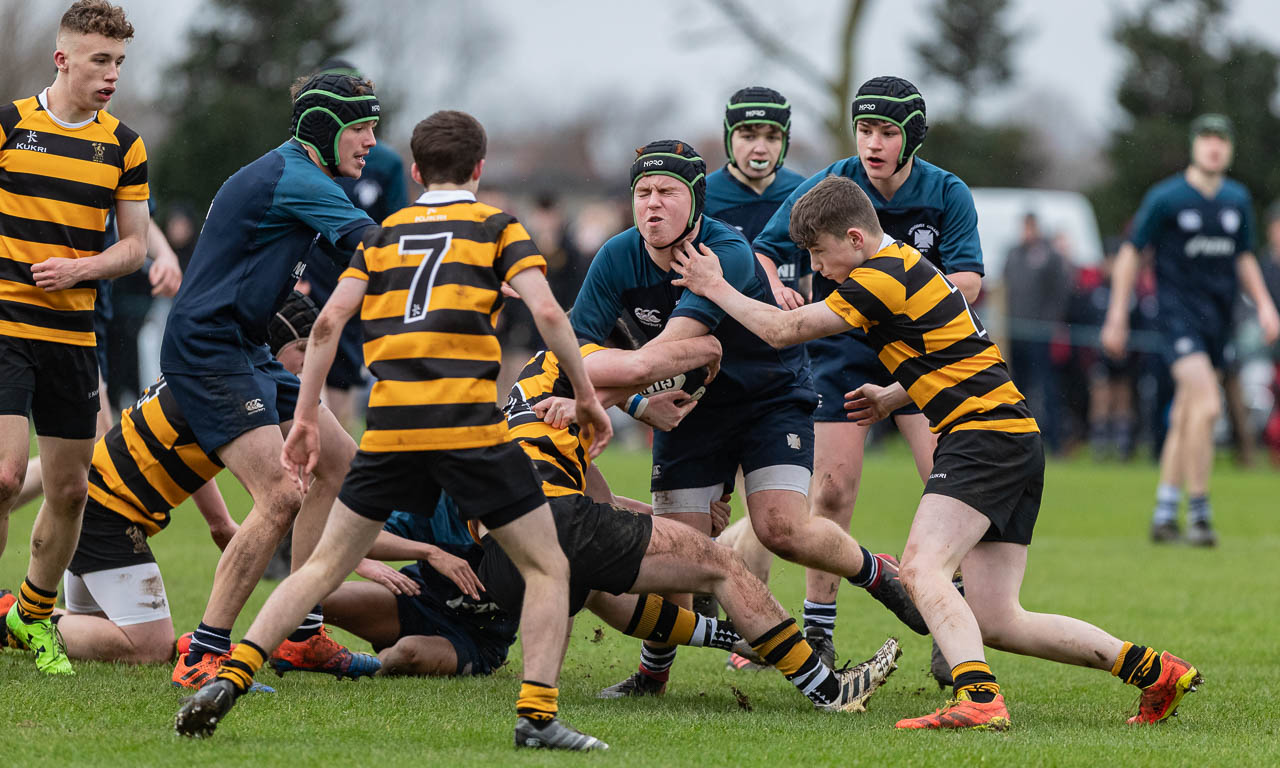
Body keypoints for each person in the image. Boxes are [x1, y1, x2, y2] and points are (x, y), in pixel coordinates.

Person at [673, 174, 1205, 730]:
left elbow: (783, 330)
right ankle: (1153, 671)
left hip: (982, 436)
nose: (815, 268)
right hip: (1013, 435)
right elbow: (962, 349)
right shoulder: (908, 266)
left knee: (923, 568)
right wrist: (892, 394)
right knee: (998, 617)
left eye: (817, 253)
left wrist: (715, 285)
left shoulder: (876, 277)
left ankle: (978, 700)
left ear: (855, 239)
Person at [174, 110, 616, 751]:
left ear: (413, 172)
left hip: (392, 429)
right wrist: (584, 396)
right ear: (480, 170)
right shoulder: (498, 227)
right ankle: (538, 719)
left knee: (321, 565)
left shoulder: (383, 236)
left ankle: (231, 679)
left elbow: (323, 327)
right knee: (547, 566)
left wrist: (303, 420)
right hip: (467, 427)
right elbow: (547, 311)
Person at [571, 139, 922, 699]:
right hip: (688, 413)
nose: (652, 205)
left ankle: (879, 574)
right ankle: (652, 676)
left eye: (667, 192)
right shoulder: (617, 256)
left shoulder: (725, 253)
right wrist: (637, 404)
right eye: (642, 193)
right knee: (675, 553)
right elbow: (576, 348)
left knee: (781, 528)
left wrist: (609, 391)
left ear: (697, 199)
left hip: (769, 398)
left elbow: (667, 353)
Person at [472, 335, 902, 716]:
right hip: (560, 522)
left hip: (503, 562)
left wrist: (672, 529)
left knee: (596, 578)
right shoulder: (569, 353)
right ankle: (831, 690)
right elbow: (638, 368)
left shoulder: (524, 403)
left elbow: (602, 506)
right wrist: (707, 349)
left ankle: (729, 637)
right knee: (721, 566)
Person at [1, 294, 380, 672]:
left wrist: (220, 522)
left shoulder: (216, 378)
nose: (308, 365)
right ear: (280, 345)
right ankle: (12, 619)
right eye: (304, 349)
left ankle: (32, 616)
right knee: (148, 648)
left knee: (114, 635)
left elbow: (199, 449)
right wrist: (356, 556)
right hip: (106, 516)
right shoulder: (231, 388)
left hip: (102, 512)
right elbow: (281, 493)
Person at [752, 76, 981, 670]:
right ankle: (819, 629)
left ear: (912, 139)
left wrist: (903, 296)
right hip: (843, 354)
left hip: (921, 355)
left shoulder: (947, 192)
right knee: (830, 490)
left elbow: (971, 279)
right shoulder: (833, 184)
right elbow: (767, 247)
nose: (873, 143)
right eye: (864, 129)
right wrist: (777, 283)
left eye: (886, 131)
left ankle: (946, 618)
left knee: (949, 484)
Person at [162, 71, 380, 689]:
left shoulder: (301, 175)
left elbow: (355, 260)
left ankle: (301, 635)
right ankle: (201, 652)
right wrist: (465, 256)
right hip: (207, 349)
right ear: (325, 127)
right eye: (360, 128)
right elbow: (374, 244)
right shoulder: (297, 177)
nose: (369, 141)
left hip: (247, 347)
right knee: (282, 495)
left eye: (373, 127)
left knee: (340, 460)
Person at [0, 0, 149, 676]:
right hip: (6, 325)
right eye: (100, 60)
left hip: (72, 336)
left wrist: (83, 268)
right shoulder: (9, 125)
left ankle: (28, 620)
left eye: (118, 61)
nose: (111, 73)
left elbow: (136, 247)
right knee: (3, 475)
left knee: (69, 493)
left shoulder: (124, 145)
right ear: (63, 59)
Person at [1101, 113, 1280, 546]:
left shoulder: (1237, 199)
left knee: (1187, 415)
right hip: (1176, 319)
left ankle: (1164, 513)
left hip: (1217, 322)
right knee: (1207, 405)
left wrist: (1266, 305)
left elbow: (1242, 257)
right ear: (1194, 146)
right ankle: (1200, 513)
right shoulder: (1166, 197)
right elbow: (1130, 254)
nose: (1214, 146)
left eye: (1222, 139)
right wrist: (1117, 313)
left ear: (1230, 149)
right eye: (1206, 139)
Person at [703, 86, 805, 629]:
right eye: (747, 134)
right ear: (729, 137)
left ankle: (756, 634)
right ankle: (664, 652)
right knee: (691, 513)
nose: (759, 146)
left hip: (782, 371)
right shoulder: (701, 196)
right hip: (711, 369)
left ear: (785, 140)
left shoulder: (806, 194)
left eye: (770, 135)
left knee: (770, 512)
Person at [298, 58, 407, 436]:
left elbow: (393, 229)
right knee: (300, 371)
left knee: (343, 379)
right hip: (306, 277)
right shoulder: (301, 159)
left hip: (357, 276)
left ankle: (334, 466)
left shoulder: (386, 162)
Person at [1003, 213, 1071, 453]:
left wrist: (1049, 323)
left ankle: (1055, 442)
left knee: (1046, 387)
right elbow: (1004, 288)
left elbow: (1060, 292)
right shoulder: (1013, 253)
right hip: (1015, 332)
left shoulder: (1049, 256)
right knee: (1016, 387)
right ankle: (1019, 438)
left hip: (1040, 335)